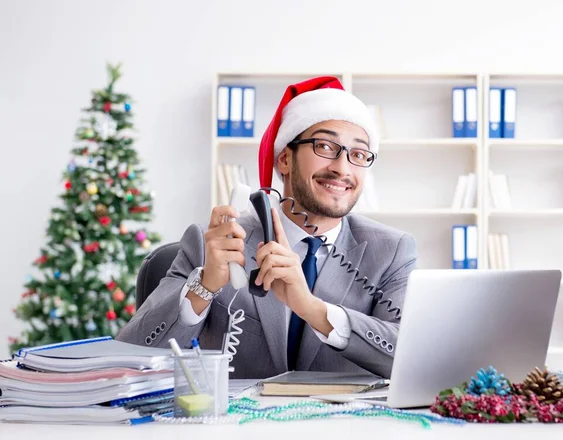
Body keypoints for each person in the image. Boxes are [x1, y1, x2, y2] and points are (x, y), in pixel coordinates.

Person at [116, 76, 418, 379]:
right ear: (284, 159)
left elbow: (410, 356)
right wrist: (204, 287)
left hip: (344, 425)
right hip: (237, 424)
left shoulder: (392, 251)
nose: (342, 168)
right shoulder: (215, 242)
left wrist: (312, 308)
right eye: (325, 146)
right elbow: (129, 359)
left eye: (358, 154)